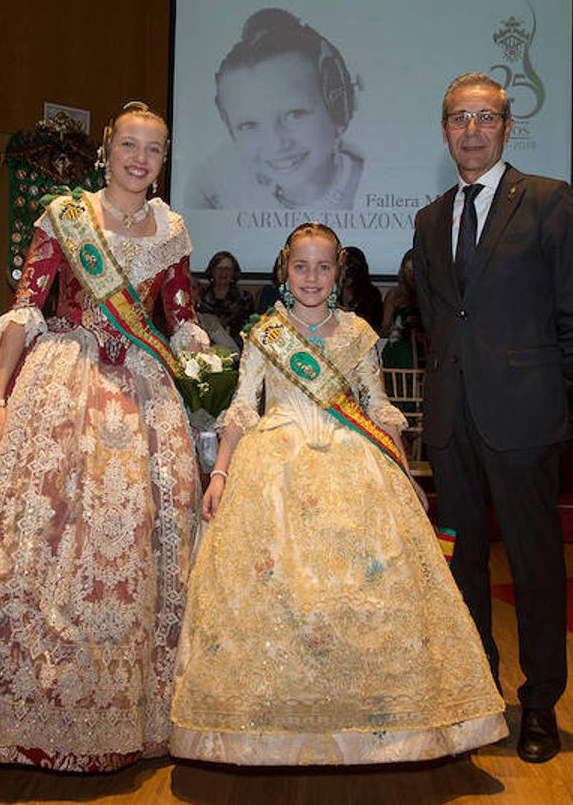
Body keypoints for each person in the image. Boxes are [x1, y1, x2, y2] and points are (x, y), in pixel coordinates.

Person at [0, 102, 209, 772]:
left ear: (163, 160)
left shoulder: (173, 228)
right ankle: (26, 697)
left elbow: (179, 317)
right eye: (130, 143)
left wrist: (198, 355)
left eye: (154, 149)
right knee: (40, 529)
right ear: (108, 147)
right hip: (62, 380)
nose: (140, 157)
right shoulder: (66, 215)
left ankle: (127, 707)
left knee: (133, 537)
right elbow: (26, 306)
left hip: (143, 397)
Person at [169, 223, 507, 766]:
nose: (311, 277)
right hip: (274, 466)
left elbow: (378, 410)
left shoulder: (357, 334)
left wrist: (406, 474)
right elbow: (240, 412)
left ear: (338, 272)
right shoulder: (265, 334)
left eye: (323, 267)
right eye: (301, 266)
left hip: (353, 464)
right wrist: (221, 474)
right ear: (285, 269)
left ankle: (375, 720)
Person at [411, 73, 573, 764]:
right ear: (443, 131)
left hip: (524, 422)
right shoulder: (430, 218)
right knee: (461, 565)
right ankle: (479, 694)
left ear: (506, 127)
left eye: (484, 118)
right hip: (453, 422)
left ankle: (541, 703)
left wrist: (541, 385)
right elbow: (437, 317)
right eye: (458, 118)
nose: (471, 130)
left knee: (534, 567)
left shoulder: (549, 201)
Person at [187, 8, 364, 211]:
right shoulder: (217, 198)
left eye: (294, 115)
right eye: (249, 125)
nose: (276, 143)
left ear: (339, 106)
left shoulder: (373, 183)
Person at [195, 250, 254, 349]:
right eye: (219, 268)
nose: (223, 272)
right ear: (212, 271)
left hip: (237, 351)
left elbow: (249, 329)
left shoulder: (244, 297)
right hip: (205, 349)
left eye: (228, 268)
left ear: (234, 273)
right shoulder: (200, 296)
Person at [380, 250, 422, 368]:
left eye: (414, 270)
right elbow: (384, 329)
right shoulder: (394, 295)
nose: (411, 275)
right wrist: (398, 329)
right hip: (398, 350)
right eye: (407, 270)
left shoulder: (430, 296)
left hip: (423, 351)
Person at [338, 245, 383, 332]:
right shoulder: (330, 292)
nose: (346, 272)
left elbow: (375, 326)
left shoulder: (371, 295)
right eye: (342, 267)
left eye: (351, 268)